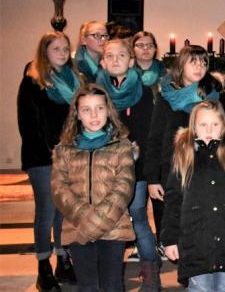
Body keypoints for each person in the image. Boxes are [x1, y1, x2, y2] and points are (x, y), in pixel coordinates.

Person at [145, 45, 225, 244]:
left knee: (205, 230)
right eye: (193, 61)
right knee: (175, 229)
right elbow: (154, 139)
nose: (199, 67)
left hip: (210, 171)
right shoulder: (165, 97)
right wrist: (152, 179)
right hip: (173, 170)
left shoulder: (218, 95)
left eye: (204, 62)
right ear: (181, 65)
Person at [161, 101, 225, 292]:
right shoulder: (184, 155)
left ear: (224, 126)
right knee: (201, 288)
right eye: (203, 125)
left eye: (215, 124)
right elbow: (173, 200)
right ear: (194, 127)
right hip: (194, 240)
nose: (209, 130)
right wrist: (170, 238)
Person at [51, 84, 136, 292]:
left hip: (113, 228)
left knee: (112, 285)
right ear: (77, 115)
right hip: (77, 227)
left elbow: (123, 189)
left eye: (99, 108)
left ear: (108, 110)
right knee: (88, 286)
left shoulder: (122, 146)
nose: (94, 115)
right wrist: (87, 219)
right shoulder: (64, 149)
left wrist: (95, 223)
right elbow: (58, 188)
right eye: (86, 109)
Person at [17, 31, 80, 290]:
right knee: (46, 212)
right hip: (41, 157)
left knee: (63, 211)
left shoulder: (74, 81)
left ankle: (63, 261)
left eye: (66, 49)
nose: (63, 54)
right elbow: (29, 126)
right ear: (45, 52)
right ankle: (43, 268)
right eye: (57, 49)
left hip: (68, 155)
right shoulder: (33, 81)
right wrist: (52, 152)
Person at [96, 38, 161, 290]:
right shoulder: (95, 91)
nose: (115, 60)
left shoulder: (143, 91)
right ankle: (109, 278)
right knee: (109, 222)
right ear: (102, 61)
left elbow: (147, 134)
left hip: (136, 167)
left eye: (121, 55)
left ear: (131, 60)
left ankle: (150, 272)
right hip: (105, 168)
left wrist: (144, 169)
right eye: (109, 56)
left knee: (137, 218)